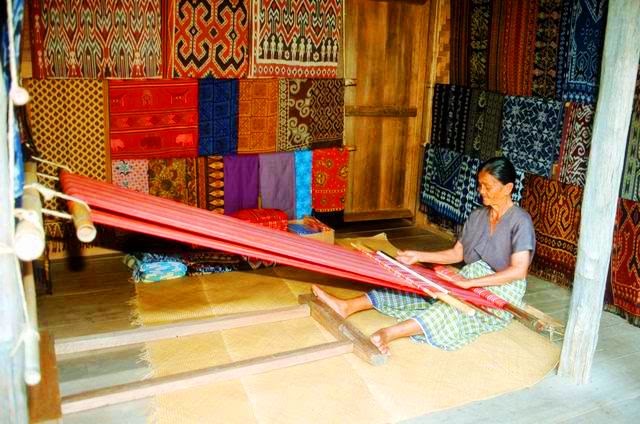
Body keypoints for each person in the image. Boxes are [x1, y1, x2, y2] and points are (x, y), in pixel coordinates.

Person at [312, 157, 535, 354]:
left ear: (508, 188)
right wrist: (417, 256)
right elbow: (457, 253)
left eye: (488, 186)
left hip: (502, 288)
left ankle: (389, 333)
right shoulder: (478, 216)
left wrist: (470, 284)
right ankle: (348, 306)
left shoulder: (520, 221)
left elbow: (518, 271)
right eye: (480, 185)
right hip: (471, 278)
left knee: (451, 307)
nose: (481, 191)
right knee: (420, 288)